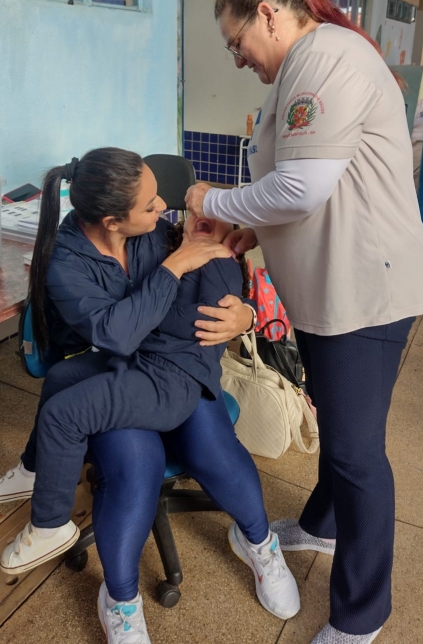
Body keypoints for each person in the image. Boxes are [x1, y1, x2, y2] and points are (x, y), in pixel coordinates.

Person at [185, 0, 423, 644]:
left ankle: (362, 616)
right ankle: (322, 527)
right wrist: (245, 227)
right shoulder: (304, 67)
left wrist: (210, 198)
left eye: (239, 44)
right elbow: (302, 191)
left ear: (269, 13)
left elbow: (301, 189)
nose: (239, 59)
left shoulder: (326, 60)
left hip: (365, 293)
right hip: (332, 291)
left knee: (356, 454)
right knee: (340, 429)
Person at [0, 147, 299, 642]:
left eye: (160, 197)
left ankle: (260, 544)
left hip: (175, 369)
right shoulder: (67, 262)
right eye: (150, 205)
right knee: (133, 467)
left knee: (214, 450)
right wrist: (178, 265)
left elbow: (230, 282)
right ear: (114, 221)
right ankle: (120, 600)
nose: (164, 207)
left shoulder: (163, 230)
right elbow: (118, 336)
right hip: (119, 371)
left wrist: (244, 313)